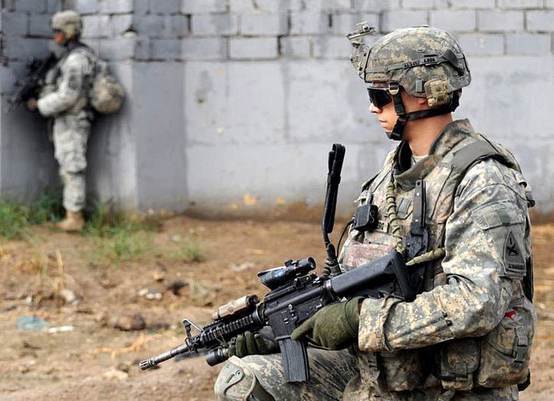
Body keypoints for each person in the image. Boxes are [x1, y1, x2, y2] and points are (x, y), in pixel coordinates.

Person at [213, 25, 536, 401]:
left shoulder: (484, 181)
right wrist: (286, 330)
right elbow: (356, 279)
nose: (371, 107)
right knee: (243, 381)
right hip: (384, 377)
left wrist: (358, 319)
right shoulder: (390, 176)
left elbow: (477, 303)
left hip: (452, 388)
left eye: (380, 95)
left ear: (422, 94)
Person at [27, 10, 97, 231]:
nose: (55, 36)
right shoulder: (70, 56)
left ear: (70, 32)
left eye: (59, 31)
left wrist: (40, 105)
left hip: (73, 119)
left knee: (72, 165)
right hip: (67, 119)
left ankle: (75, 217)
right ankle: (71, 212)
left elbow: (69, 96)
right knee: (67, 164)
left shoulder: (76, 60)